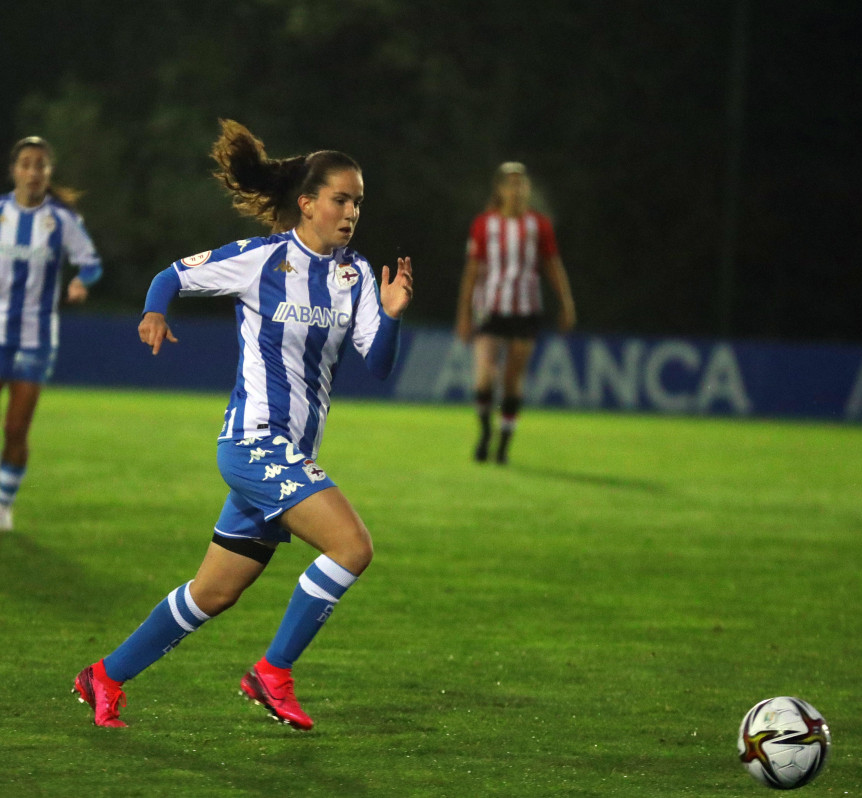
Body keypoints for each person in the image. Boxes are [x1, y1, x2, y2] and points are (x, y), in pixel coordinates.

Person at [72, 119, 414, 730]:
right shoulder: (262, 259)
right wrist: (154, 313)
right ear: (307, 203)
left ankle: (103, 676)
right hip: (254, 441)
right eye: (341, 198)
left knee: (214, 592)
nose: (351, 211)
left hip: (284, 456)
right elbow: (172, 274)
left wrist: (389, 315)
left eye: (358, 201)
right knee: (352, 546)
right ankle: (273, 671)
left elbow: (381, 365)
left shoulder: (355, 276)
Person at [0, 136, 103, 531]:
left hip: (36, 337)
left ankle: (4, 503)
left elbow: (91, 263)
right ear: (14, 169)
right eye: (26, 163)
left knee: (15, 428)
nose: (33, 172)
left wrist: (81, 281)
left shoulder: (61, 220)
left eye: (40, 165)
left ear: (48, 173)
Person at [454, 162, 575, 464]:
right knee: (484, 379)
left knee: (512, 379)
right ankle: (485, 432)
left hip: (525, 310)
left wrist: (566, 303)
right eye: (511, 184)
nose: (517, 189)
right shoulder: (484, 225)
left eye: (522, 184)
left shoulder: (539, 225)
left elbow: (552, 266)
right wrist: (464, 314)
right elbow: (472, 271)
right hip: (490, 309)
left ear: (527, 189)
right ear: (500, 189)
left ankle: (504, 445)